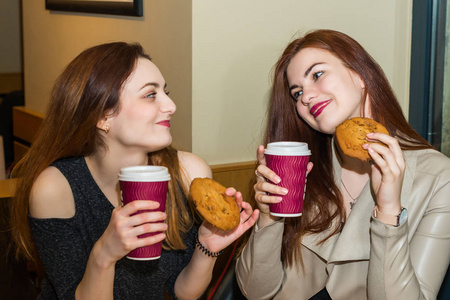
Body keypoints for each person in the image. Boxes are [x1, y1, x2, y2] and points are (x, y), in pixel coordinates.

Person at [10, 42, 259, 299]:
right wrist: (105, 253)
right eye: (150, 95)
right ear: (102, 116)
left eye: (165, 91)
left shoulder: (188, 173)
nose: (170, 105)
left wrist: (207, 246)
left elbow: (182, 293)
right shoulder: (56, 188)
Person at [235, 29, 450, 299]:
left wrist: (388, 213)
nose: (306, 97)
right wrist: (267, 216)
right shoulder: (302, 167)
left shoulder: (439, 177)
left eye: (317, 75)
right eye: (297, 92)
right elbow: (256, 292)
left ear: (360, 74)